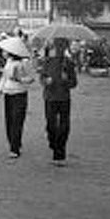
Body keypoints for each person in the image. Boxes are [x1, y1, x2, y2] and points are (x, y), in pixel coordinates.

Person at [39, 37, 78, 165]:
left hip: (64, 98)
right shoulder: (48, 62)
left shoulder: (69, 63)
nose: (59, 49)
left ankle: (59, 155)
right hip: (50, 97)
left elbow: (74, 83)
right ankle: (53, 142)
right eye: (58, 46)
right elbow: (42, 79)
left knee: (64, 126)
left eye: (62, 46)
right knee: (51, 125)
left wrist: (67, 80)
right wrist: (46, 81)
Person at [0, 39, 35, 158]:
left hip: (19, 94)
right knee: (9, 121)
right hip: (8, 94)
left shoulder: (24, 63)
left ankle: (15, 148)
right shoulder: (8, 62)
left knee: (17, 121)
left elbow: (31, 78)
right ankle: (14, 143)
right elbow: (4, 78)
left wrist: (20, 79)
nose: (3, 53)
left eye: (5, 51)